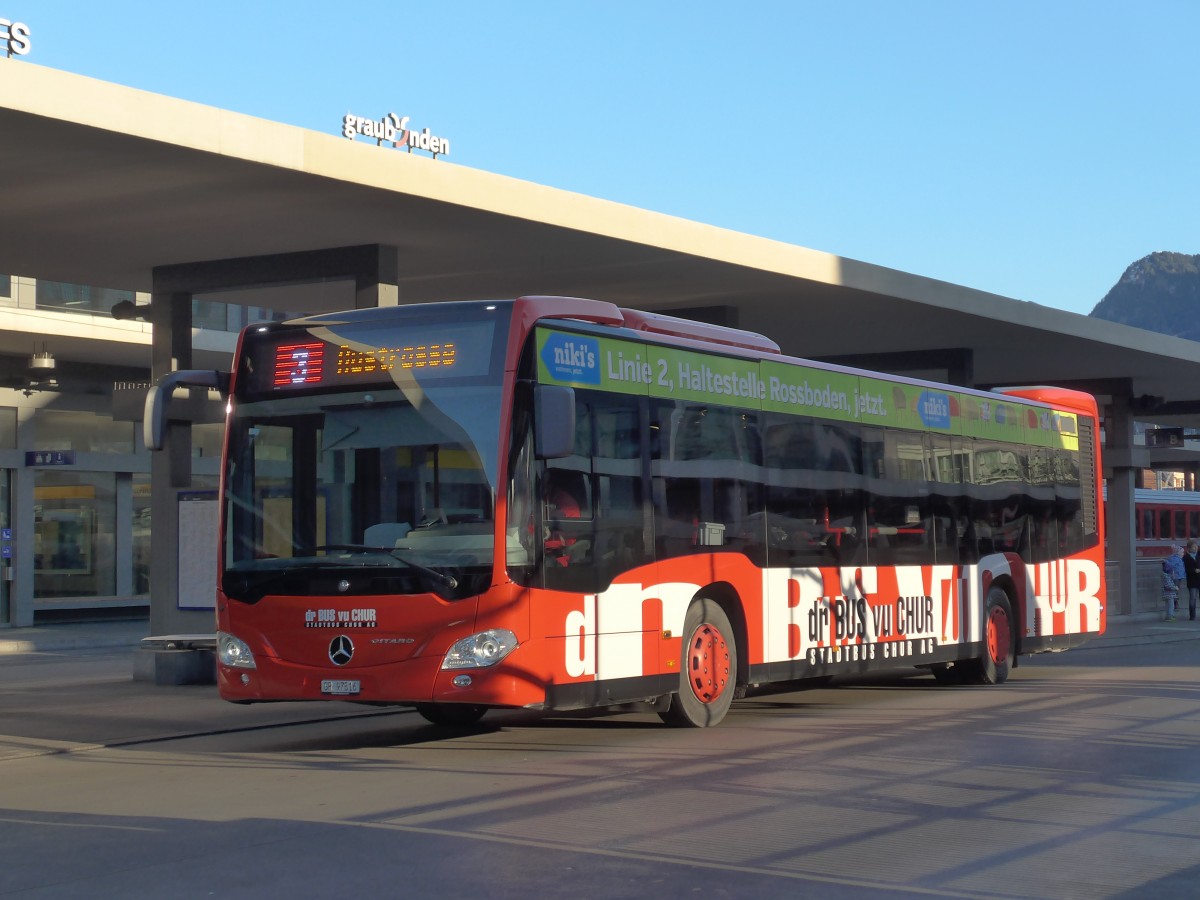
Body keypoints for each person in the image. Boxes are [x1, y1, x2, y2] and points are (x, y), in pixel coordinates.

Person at [1162, 545, 1185, 621]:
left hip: (1178, 577)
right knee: (1174, 591)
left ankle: (1174, 604)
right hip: (1176, 577)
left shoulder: (1178, 559)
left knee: (1175, 591)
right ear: (1178, 552)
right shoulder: (1175, 559)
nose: (1183, 553)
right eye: (1182, 552)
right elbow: (1170, 567)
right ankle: (1172, 609)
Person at [1184, 541, 1200, 621]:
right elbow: (1186, 569)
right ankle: (1192, 615)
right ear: (1189, 549)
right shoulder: (1186, 558)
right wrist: (1194, 570)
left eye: (1196, 546)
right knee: (1192, 598)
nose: (1196, 548)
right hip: (1192, 581)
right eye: (1194, 547)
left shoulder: (1199, 555)